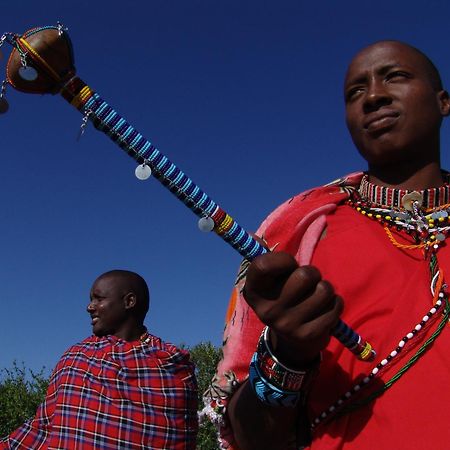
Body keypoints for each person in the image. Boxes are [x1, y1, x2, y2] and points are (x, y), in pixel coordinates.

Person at [203, 40, 450, 449]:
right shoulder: (300, 234)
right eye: (355, 92)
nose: (373, 96)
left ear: (443, 101)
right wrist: (287, 354)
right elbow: (249, 438)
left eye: (395, 77)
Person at [1, 270, 198, 449]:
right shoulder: (78, 358)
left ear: (129, 302)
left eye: (98, 299)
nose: (89, 307)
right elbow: (43, 427)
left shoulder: (174, 367)